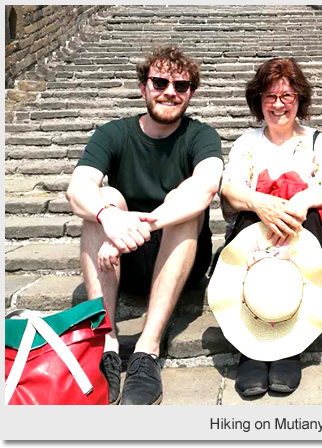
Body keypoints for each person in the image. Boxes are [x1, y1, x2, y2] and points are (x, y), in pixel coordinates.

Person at [66, 46, 223, 405]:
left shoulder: (201, 136)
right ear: (143, 87)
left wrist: (133, 232)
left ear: (191, 94)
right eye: (160, 81)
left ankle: (146, 351)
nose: (170, 91)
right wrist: (110, 218)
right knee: (105, 199)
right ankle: (105, 343)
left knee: (186, 205)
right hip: (124, 263)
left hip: (180, 256)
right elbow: (77, 188)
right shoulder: (114, 133)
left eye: (181, 85)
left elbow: (205, 188)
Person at [219, 57, 322, 397]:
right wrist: (262, 203)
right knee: (251, 210)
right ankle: (252, 347)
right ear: (258, 101)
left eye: (286, 96)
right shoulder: (248, 142)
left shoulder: (318, 140)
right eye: (270, 97)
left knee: (311, 212)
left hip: (306, 232)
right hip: (256, 231)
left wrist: (296, 204)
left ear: (299, 99)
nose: (278, 105)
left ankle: (289, 342)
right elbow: (230, 187)